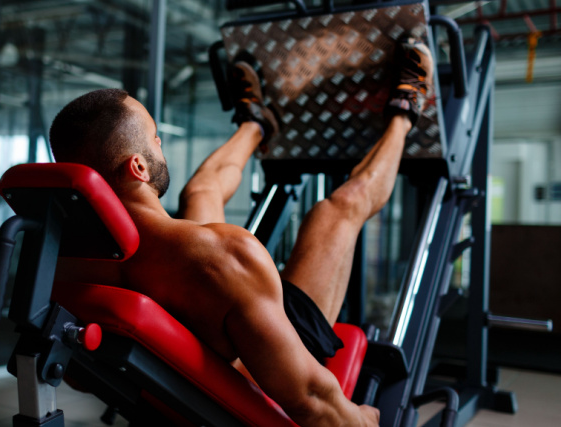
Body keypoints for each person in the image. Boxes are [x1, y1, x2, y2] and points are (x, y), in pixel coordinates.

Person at [49, 38, 433, 426]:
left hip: (183, 382)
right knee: (336, 210)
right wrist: (364, 419)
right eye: (154, 138)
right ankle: (406, 110)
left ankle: (256, 123)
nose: (160, 143)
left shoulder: (63, 264)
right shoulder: (226, 256)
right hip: (260, 379)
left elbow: (81, 376)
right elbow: (312, 400)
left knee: (199, 192)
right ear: (139, 168)